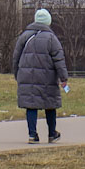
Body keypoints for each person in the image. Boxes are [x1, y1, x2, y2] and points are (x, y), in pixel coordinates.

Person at [12, 9, 68, 144]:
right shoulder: (51, 38)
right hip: (47, 78)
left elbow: (16, 57)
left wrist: (17, 74)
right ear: (48, 22)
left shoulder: (24, 36)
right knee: (50, 104)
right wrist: (63, 78)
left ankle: (32, 134)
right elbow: (59, 60)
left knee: (31, 105)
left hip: (27, 77)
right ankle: (52, 133)